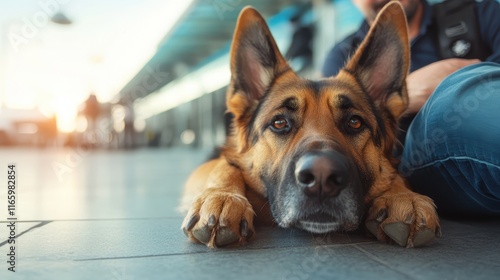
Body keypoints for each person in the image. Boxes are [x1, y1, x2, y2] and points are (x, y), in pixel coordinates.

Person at [322, 0, 500, 217]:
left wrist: (471, 79)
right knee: (452, 105)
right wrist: (412, 90)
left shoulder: (483, 15)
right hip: (415, 161)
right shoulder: (340, 55)